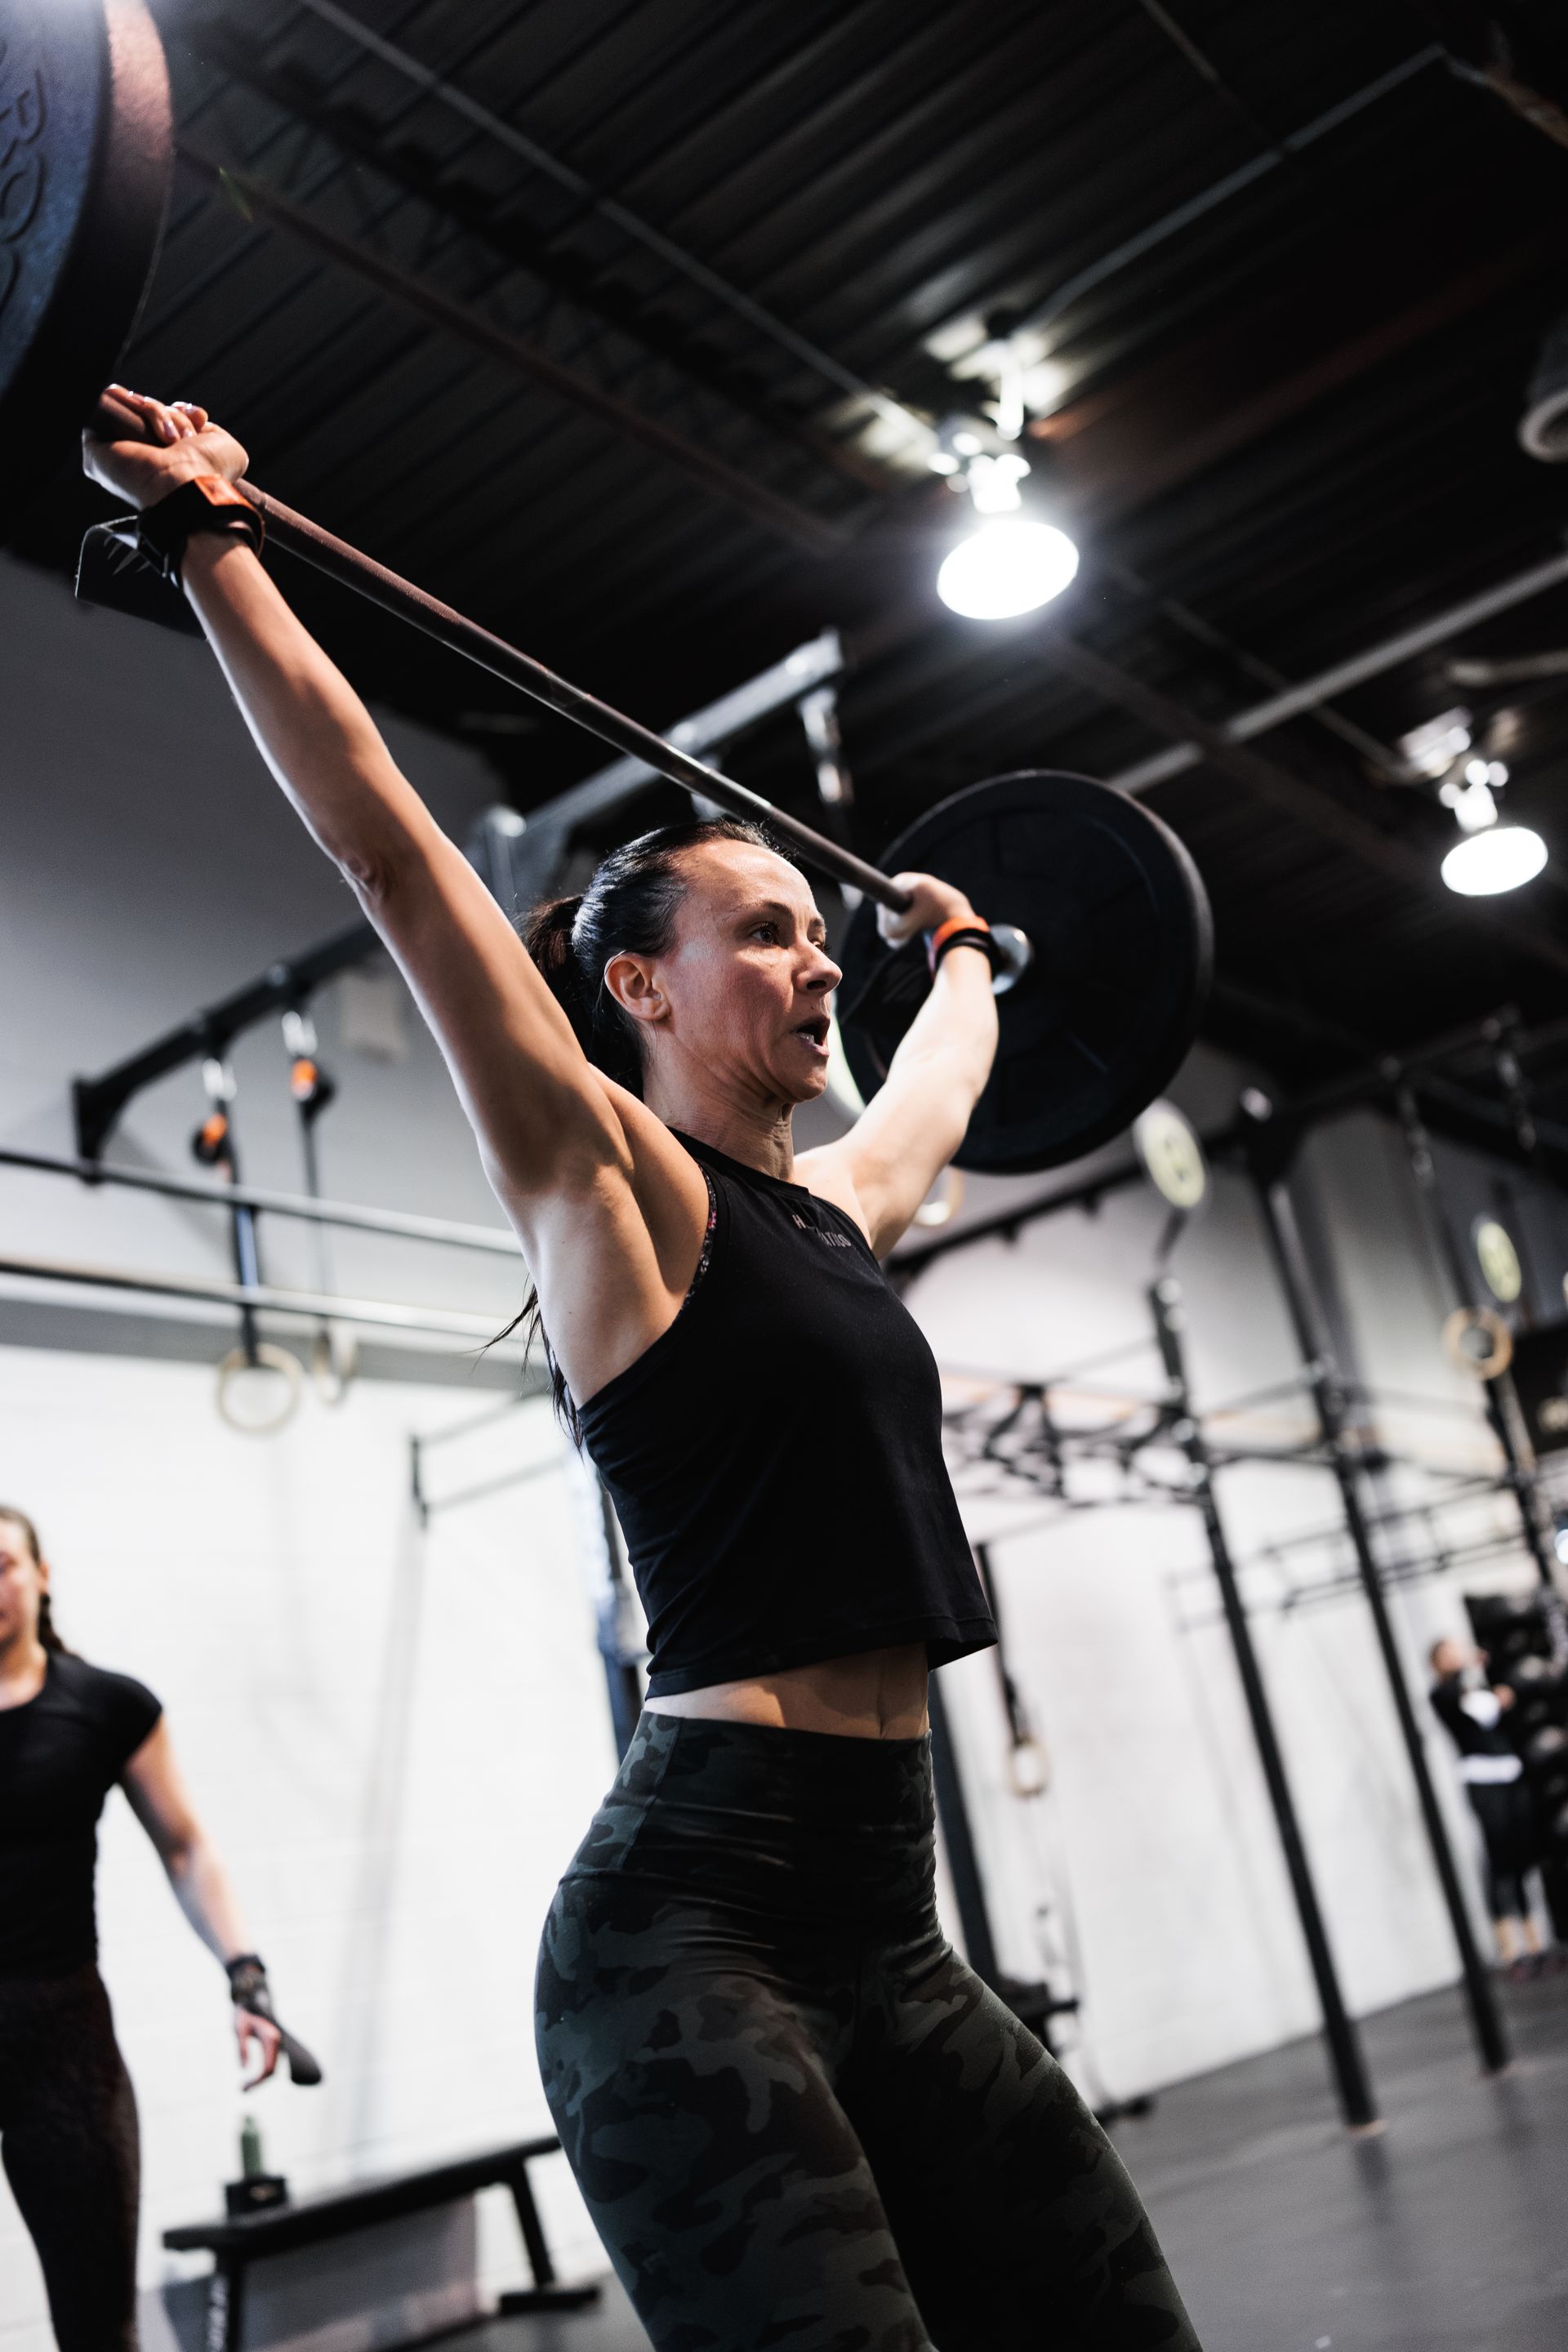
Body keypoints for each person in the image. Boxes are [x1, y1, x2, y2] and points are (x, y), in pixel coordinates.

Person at [83, 391, 1200, 2351]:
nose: (807, 961)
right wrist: (210, 544)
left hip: (886, 1919)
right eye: (763, 933)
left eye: (809, 933)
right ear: (637, 988)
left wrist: (952, 951)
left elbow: (939, 1094)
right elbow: (393, 854)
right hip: (693, 1934)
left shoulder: (830, 1207)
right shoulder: (613, 1190)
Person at [0, 1503, 300, 2352]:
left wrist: (245, 1975)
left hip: (61, 2037)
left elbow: (185, 1849)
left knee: (98, 2324)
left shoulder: (102, 1705)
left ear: (41, 1574)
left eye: (3, 1564)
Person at [1428, 1635, 1544, 1972]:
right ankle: (1509, 1947)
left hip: (1509, 1772)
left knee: (1521, 1853)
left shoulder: (1479, 1688)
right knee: (1498, 1858)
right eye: (1448, 1653)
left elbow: (1504, 1710)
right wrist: (1467, 1668)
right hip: (1481, 1778)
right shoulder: (1443, 1693)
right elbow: (1459, 1703)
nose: (1456, 1656)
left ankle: (1534, 1941)